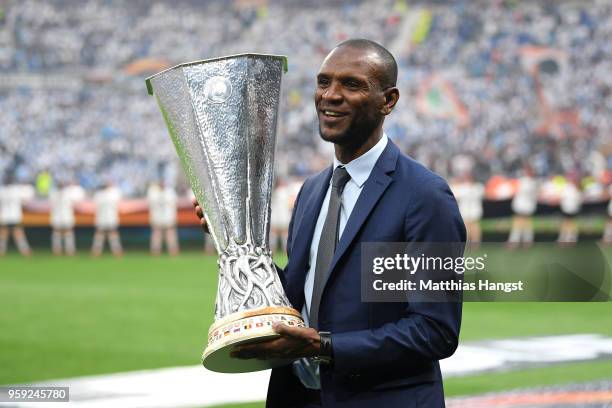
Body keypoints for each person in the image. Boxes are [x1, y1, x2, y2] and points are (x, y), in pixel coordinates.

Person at [194, 39, 465, 407]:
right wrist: (230, 232)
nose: (330, 95)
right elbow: (296, 295)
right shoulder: (313, 190)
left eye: (351, 85)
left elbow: (435, 330)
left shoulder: (424, 196)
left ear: (389, 100)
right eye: (324, 83)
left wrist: (324, 346)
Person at [0, 175, 35, 256]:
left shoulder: (2, 191)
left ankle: (1, 250)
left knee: (3, 233)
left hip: (5, 216)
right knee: (18, 233)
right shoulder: (17, 190)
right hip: (15, 215)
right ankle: (25, 250)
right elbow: (26, 199)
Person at [49, 180, 85, 256]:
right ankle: (57, 250)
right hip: (58, 215)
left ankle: (70, 250)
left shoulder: (68, 193)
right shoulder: (54, 193)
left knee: (68, 232)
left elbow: (76, 202)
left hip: (66, 215)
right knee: (57, 232)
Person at [507, 166, 539, 248]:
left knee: (519, 223)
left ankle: (515, 242)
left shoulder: (523, 181)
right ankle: (527, 241)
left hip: (522, 205)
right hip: (527, 205)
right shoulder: (534, 182)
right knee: (526, 224)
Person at [451, 173, 484, 247]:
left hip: (472, 209)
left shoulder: (476, 187)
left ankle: (474, 243)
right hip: (467, 209)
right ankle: (470, 243)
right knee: (469, 227)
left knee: (473, 227)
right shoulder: (475, 187)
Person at [147, 181, 179, 256]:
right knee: (157, 234)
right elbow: (151, 204)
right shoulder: (153, 192)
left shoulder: (170, 192)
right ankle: (155, 251)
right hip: (157, 217)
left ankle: (173, 250)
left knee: (170, 234)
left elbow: (174, 205)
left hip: (168, 217)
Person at [91, 181, 123, 256]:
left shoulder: (99, 195)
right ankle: (116, 251)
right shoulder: (112, 193)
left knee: (104, 234)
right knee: (107, 234)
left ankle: (97, 251)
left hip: (106, 217)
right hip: (107, 217)